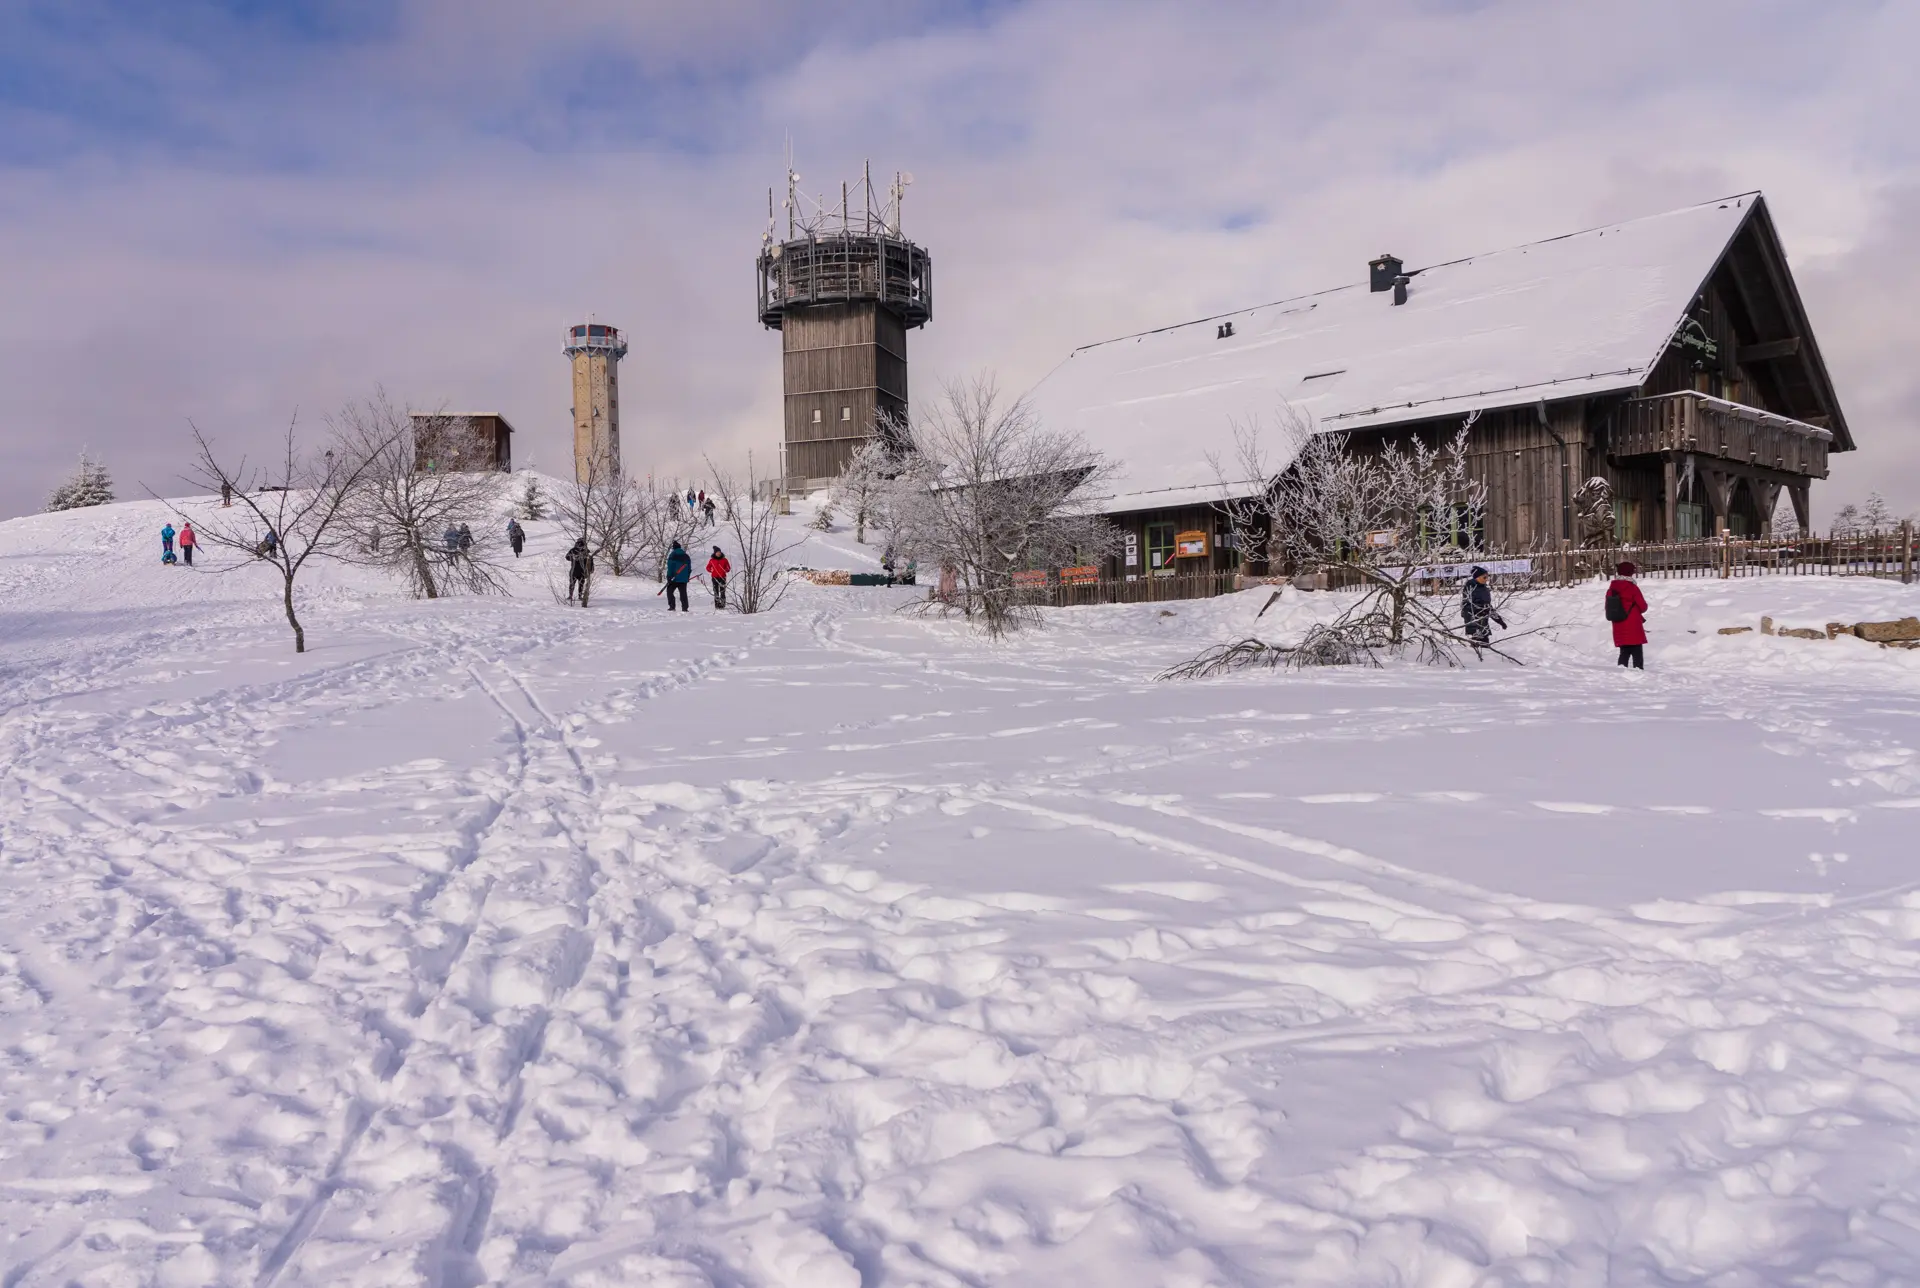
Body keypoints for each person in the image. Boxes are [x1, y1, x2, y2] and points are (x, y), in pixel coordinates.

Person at [1607, 560, 1649, 669]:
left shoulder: (1612, 588)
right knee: (1637, 651)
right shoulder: (1632, 588)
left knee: (1624, 651)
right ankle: (1639, 672)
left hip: (1618, 623)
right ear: (1630, 573)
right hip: (1633, 623)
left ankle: (1621, 672)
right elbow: (1643, 606)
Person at [1460, 566, 1506, 649]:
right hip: (1474, 623)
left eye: (1487, 577)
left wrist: (1499, 620)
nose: (1486, 579)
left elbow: (1488, 607)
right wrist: (1479, 611)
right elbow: (1467, 606)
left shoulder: (1484, 589)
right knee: (1477, 649)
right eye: (1484, 577)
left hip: (1483, 623)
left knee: (1485, 648)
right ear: (1477, 577)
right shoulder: (1470, 588)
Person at [664, 540, 693, 611]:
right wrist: (687, 577)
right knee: (683, 593)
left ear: (673, 548)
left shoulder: (672, 555)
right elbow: (689, 568)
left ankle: (672, 606)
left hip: (674, 578)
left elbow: (670, 567)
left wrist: (669, 577)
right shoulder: (686, 556)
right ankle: (685, 608)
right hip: (683, 578)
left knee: (669, 591)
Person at [566, 537, 594, 603]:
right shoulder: (585, 550)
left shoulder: (573, 550)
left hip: (574, 570)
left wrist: (572, 558)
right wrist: (591, 569)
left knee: (572, 583)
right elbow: (590, 560)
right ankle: (579, 596)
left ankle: (571, 596)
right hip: (581, 571)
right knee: (580, 584)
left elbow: (567, 557)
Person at [706, 545, 730, 610]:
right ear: (715, 553)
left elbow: (728, 568)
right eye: (717, 552)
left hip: (722, 577)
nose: (718, 553)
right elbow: (707, 567)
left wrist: (726, 569)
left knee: (722, 591)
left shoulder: (724, 560)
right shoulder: (712, 560)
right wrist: (710, 570)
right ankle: (717, 605)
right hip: (714, 577)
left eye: (719, 552)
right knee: (716, 591)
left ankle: (722, 605)